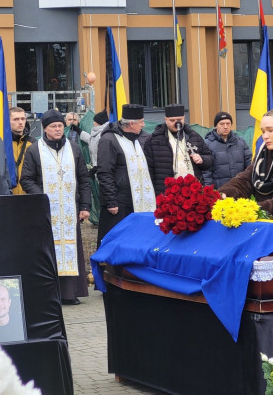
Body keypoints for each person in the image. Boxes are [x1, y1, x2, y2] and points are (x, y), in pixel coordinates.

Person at [20, 109, 91, 305]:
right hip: (46, 211)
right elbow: (26, 180)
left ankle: (70, 293)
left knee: (70, 248)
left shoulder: (74, 148)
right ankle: (49, 293)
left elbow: (84, 179)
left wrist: (85, 205)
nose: (58, 129)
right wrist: (43, 197)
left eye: (60, 126)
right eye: (53, 126)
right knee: (48, 250)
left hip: (70, 209)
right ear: (45, 129)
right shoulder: (35, 150)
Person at [96, 104, 156, 247]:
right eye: (141, 122)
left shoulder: (144, 138)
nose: (143, 125)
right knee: (117, 241)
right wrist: (111, 201)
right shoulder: (109, 140)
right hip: (119, 203)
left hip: (142, 201)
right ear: (131, 124)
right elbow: (105, 172)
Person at [143, 104, 212, 195]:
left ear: (184, 118)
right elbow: (148, 170)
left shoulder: (194, 136)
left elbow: (209, 158)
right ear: (166, 120)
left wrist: (202, 159)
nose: (177, 123)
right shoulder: (154, 140)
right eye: (172, 120)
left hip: (193, 191)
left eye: (179, 120)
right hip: (167, 192)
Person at [202, 111, 251, 188]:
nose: (225, 127)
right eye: (222, 124)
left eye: (228, 123)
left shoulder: (241, 142)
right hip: (219, 190)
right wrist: (209, 190)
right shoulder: (207, 144)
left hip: (239, 188)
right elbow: (206, 171)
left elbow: (249, 165)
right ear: (216, 126)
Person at [10, 107, 36, 195]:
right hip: (7, 194)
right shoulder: (1, 143)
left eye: (23, 119)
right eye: (16, 119)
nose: (20, 122)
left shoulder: (33, 143)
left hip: (28, 195)